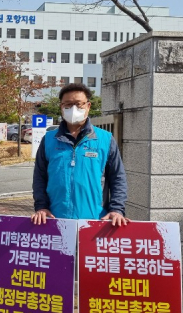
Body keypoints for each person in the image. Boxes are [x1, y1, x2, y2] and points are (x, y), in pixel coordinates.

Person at [31, 82, 129, 227]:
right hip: (55, 219)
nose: (73, 109)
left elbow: (118, 178)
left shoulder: (105, 139)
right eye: (68, 105)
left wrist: (117, 209)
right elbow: (40, 177)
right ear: (61, 107)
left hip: (95, 220)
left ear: (88, 106)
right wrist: (41, 207)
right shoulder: (49, 140)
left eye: (78, 104)